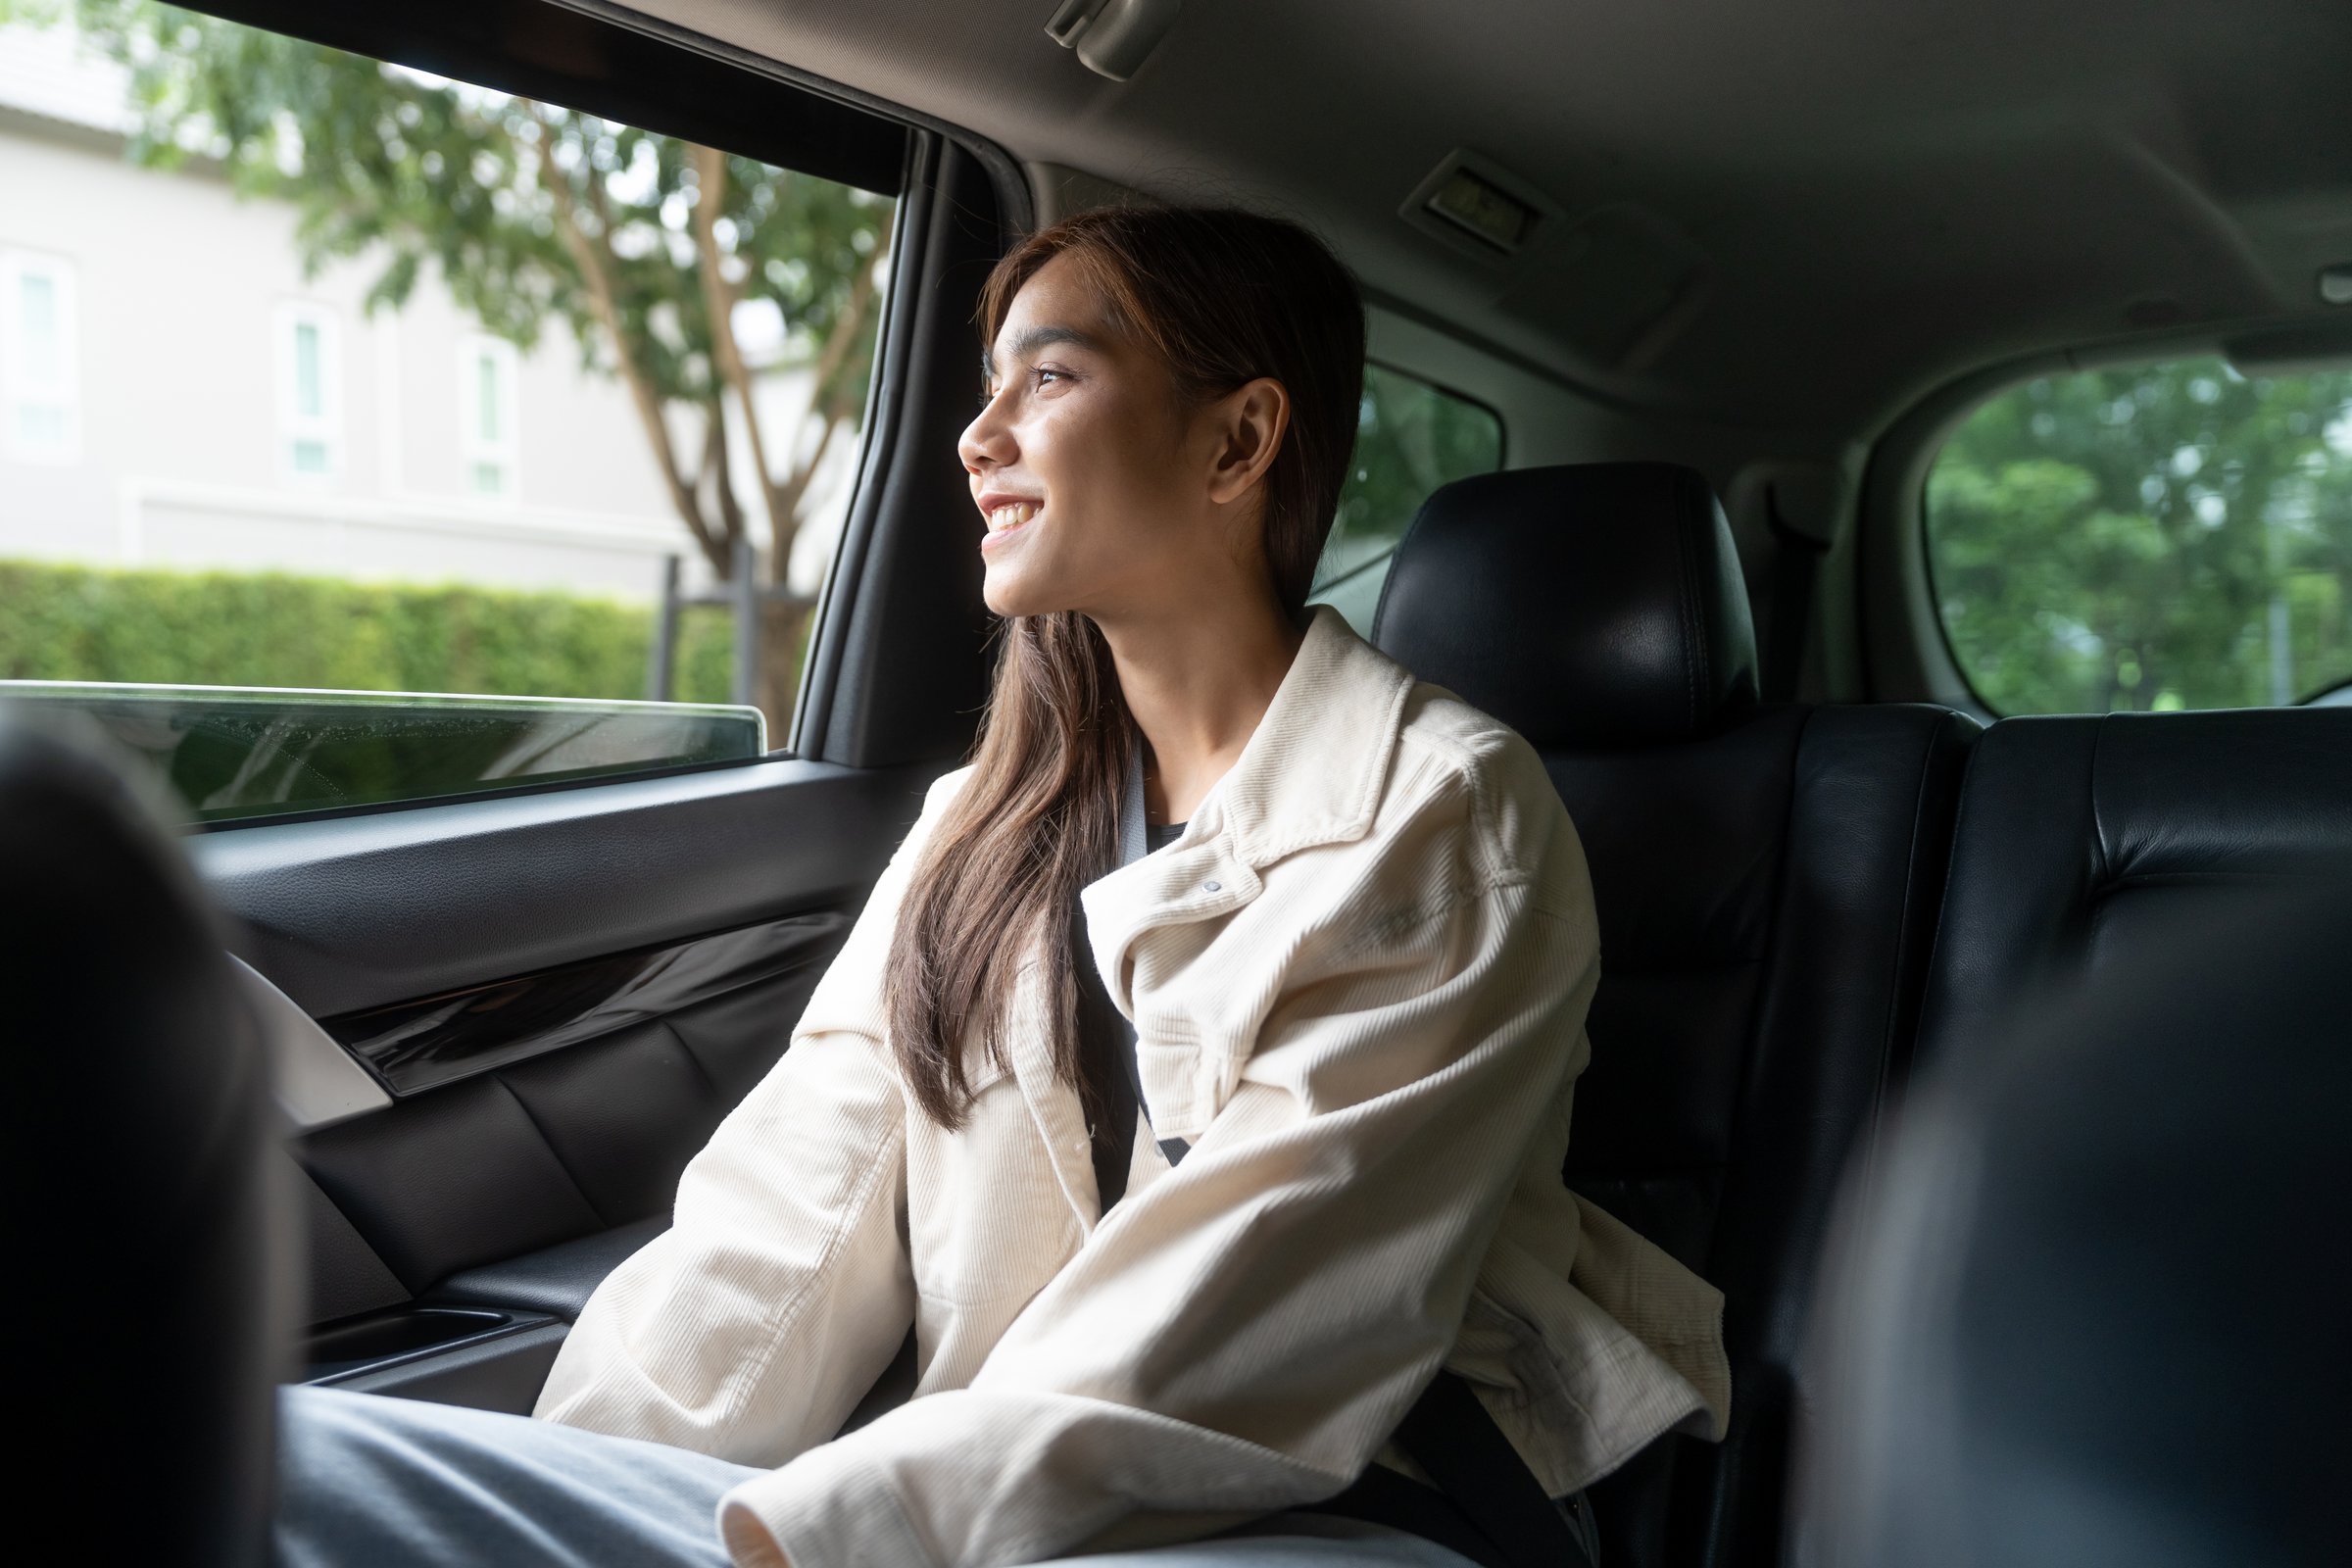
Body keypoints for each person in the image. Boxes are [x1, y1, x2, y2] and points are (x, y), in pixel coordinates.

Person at [276, 206, 1730, 1568]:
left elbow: (1240, 1324)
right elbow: (792, 1214)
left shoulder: (1446, 815)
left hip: (1321, 1501)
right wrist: (585, 1485)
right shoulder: (986, 818)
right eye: (988, 386)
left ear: (1239, 441)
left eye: (1048, 376)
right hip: (996, 1498)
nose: (979, 437)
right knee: (284, 1457)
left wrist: (817, 1536)